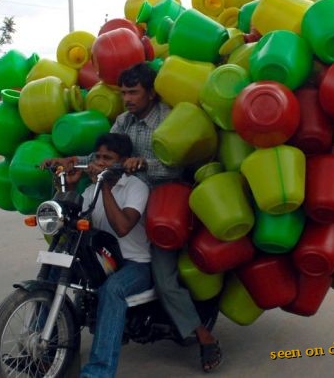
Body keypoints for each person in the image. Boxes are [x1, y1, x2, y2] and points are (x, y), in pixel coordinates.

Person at [43, 62, 222, 372]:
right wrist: (73, 162)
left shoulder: (169, 118)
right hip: (124, 195)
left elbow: (176, 165)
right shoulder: (124, 121)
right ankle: (46, 343)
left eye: (133, 92)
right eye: (123, 92)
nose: (127, 99)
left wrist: (142, 166)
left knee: (164, 280)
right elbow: (107, 154)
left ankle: (205, 338)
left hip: (163, 205)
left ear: (151, 93)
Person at [70, 133, 152, 378]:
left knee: (112, 290)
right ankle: (45, 351)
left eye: (109, 158)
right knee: (57, 270)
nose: (101, 162)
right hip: (104, 260)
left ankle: (98, 372)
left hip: (136, 264)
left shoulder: (137, 187)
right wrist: (71, 187)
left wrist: (104, 186)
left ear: (122, 161)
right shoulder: (91, 189)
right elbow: (74, 223)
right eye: (98, 157)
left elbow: (122, 227)